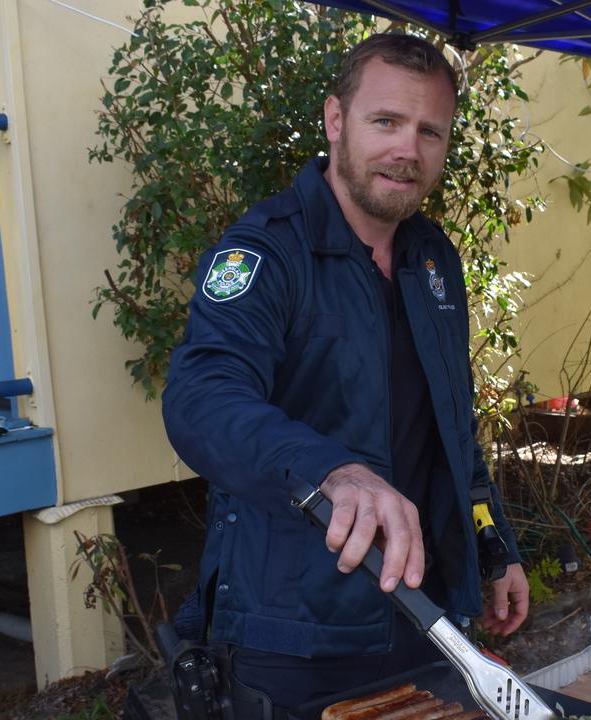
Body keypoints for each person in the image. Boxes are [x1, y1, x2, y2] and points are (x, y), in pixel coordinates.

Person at [161, 33, 528, 714]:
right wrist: (329, 470)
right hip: (296, 639)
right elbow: (200, 395)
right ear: (336, 121)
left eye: (429, 132)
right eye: (385, 122)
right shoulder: (267, 252)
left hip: (425, 619)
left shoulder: (432, 259)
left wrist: (493, 547)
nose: (407, 150)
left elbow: (453, 430)